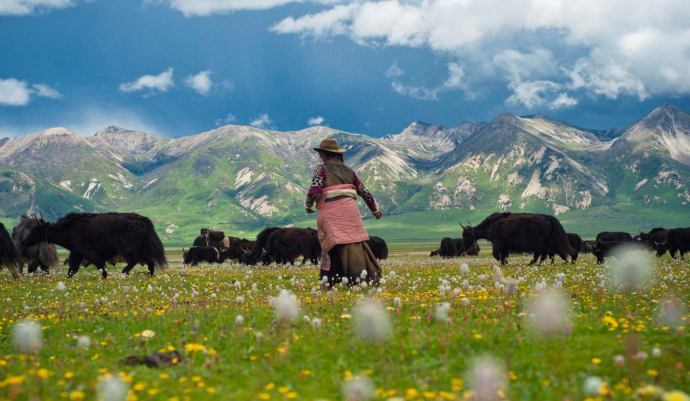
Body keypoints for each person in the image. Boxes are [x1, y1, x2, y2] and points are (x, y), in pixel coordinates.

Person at [305, 139, 383, 285]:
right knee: (354, 241)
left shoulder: (321, 169)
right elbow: (364, 192)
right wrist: (375, 210)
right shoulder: (349, 171)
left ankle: (332, 279)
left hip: (331, 211)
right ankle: (361, 277)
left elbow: (315, 190)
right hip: (350, 211)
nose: (320, 157)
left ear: (323, 154)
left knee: (333, 242)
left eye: (320, 154)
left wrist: (308, 205)